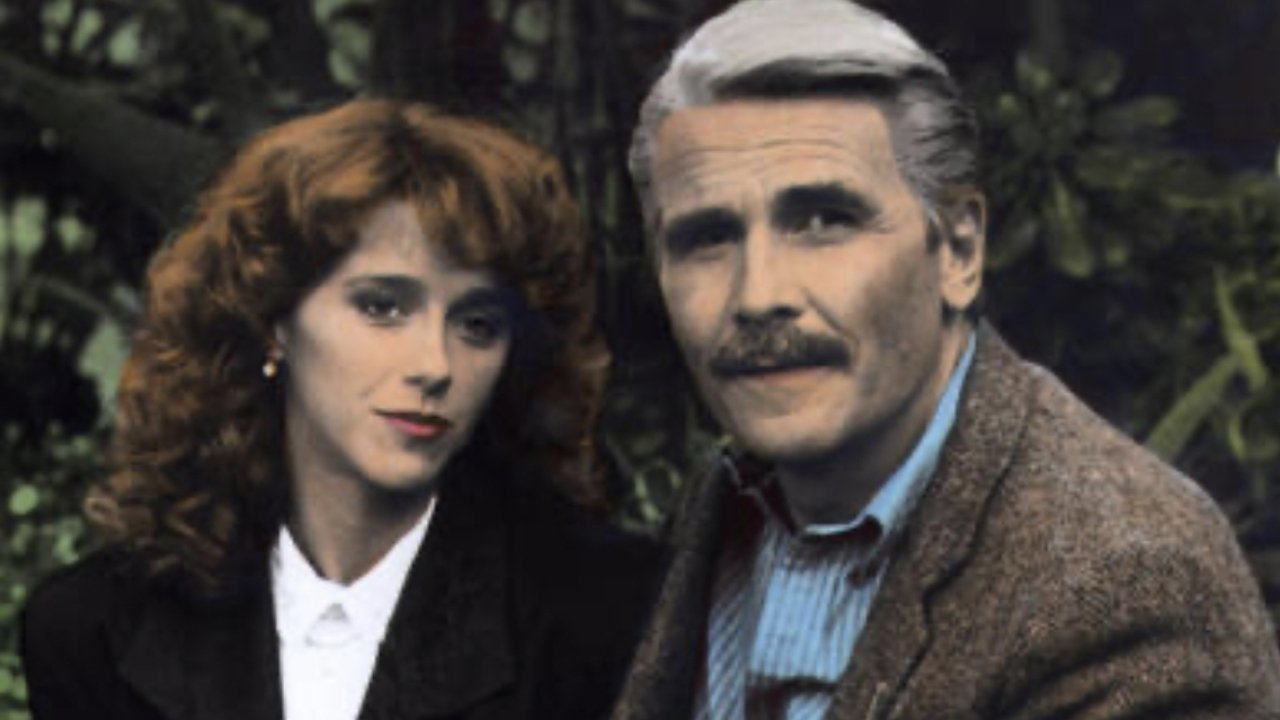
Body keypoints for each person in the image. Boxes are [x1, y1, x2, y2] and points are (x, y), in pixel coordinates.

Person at [610, 1, 1280, 718]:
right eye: (707, 237)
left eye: (824, 221)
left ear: (959, 251)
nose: (758, 295)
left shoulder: (1122, 576)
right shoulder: (728, 502)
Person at [22, 99, 663, 720]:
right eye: (382, 306)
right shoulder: (94, 631)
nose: (435, 365)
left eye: (477, 323)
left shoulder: (611, 617)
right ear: (273, 320)